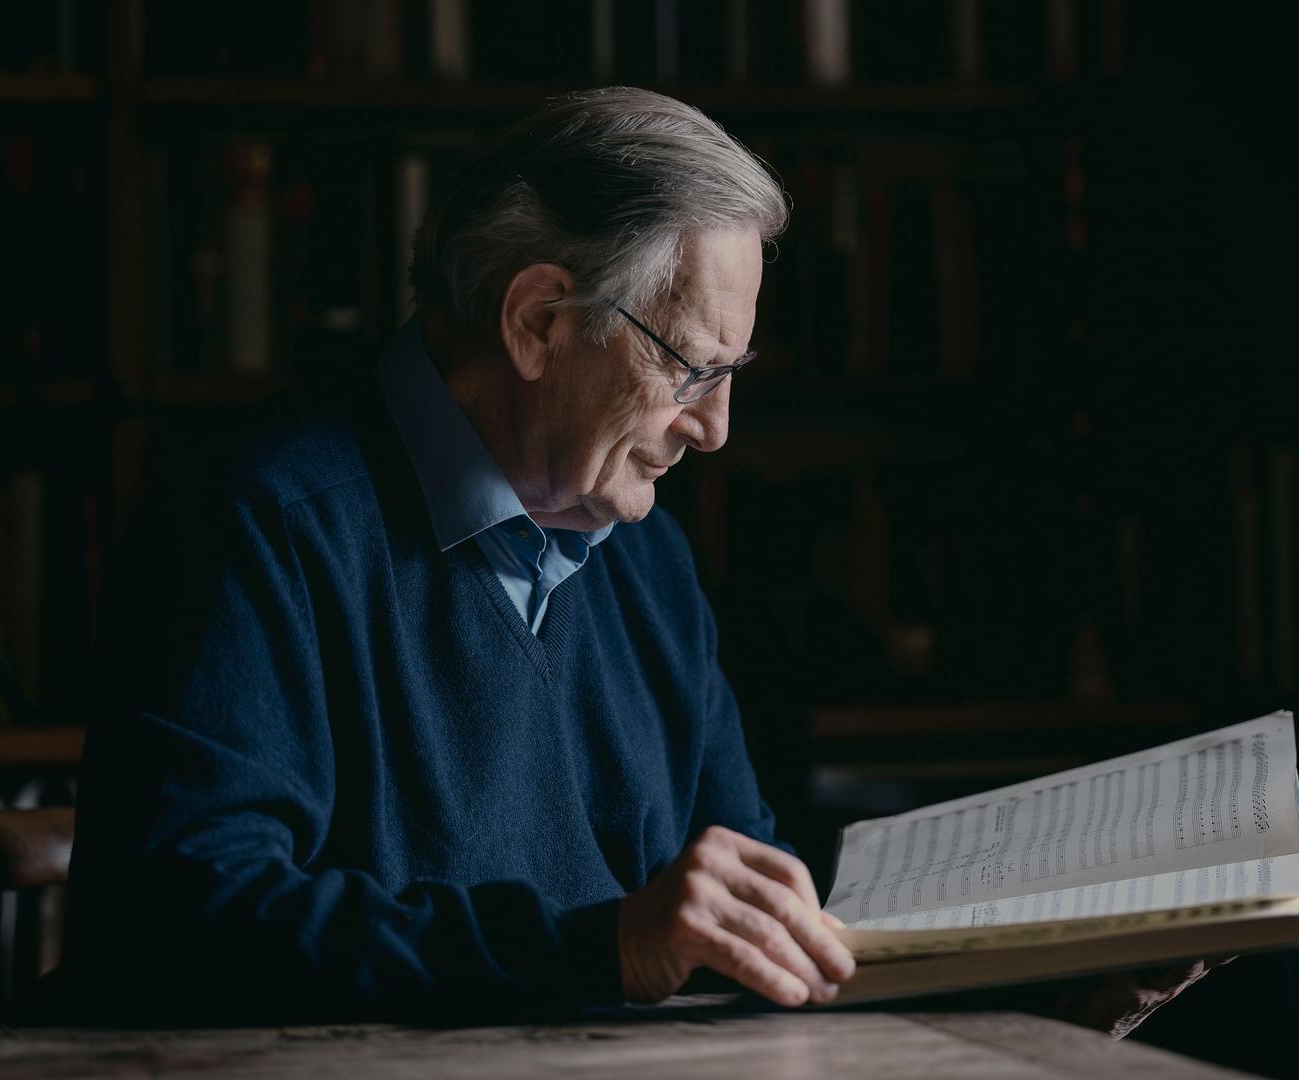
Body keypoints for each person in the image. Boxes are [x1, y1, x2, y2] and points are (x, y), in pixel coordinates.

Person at [65, 87, 1214, 1032]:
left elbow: (733, 924)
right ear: (537, 322)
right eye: (691, 369)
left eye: (731, 375)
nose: (713, 431)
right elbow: (187, 923)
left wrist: (1031, 1000)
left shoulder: (646, 559)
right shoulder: (262, 519)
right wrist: (604, 949)